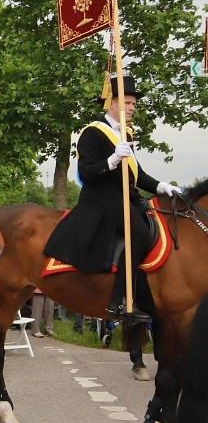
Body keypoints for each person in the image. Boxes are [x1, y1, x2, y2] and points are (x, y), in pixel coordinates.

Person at [43, 75, 181, 323]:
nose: (132, 108)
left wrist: (162, 186)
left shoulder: (126, 135)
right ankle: (119, 300)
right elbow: (86, 173)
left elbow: (137, 175)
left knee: (155, 228)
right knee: (138, 233)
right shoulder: (93, 133)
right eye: (128, 103)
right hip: (101, 201)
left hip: (125, 198)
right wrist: (112, 160)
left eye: (134, 105)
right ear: (112, 103)